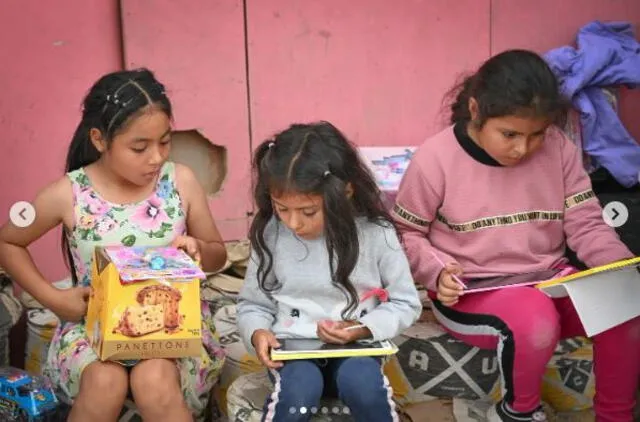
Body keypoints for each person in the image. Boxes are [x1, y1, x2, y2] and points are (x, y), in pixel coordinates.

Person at [393, 49, 640, 422]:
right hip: (472, 293)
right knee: (534, 317)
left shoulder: (558, 148)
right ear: (476, 111)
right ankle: (517, 412)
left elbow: (586, 223)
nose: (522, 148)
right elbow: (406, 233)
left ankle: (615, 416)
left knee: (626, 309)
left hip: (552, 281)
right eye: (509, 134)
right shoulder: (436, 159)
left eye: (536, 134)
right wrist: (438, 271)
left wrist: (618, 267)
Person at [0, 69, 227, 422]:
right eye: (140, 147)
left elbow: (217, 253)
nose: (156, 157)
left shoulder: (180, 181)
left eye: (164, 142)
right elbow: (7, 241)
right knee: (104, 381)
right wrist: (54, 299)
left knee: (154, 378)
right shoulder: (69, 192)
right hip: (94, 328)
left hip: (173, 327)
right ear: (100, 139)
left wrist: (198, 249)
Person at [237, 121, 422, 422]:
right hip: (293, 355)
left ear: (345, 192)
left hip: (357, 351)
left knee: (364, 386)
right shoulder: (272, 233)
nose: (293, 223)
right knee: (299, 391)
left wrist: (361, 329)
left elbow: (406, 303)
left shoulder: (377, 234)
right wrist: (257, 332)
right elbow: (253, 304)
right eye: (282, 208)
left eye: (308, 211)